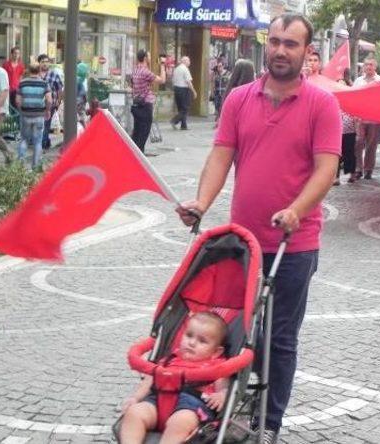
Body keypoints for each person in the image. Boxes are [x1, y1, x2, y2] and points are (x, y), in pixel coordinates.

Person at [176, 13, 341, 444]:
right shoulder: (239, 99)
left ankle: (269, 422)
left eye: (291, 43)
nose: (281, 50)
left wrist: (296, 209)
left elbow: (327, 169)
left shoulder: (321, 104)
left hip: (294, 244)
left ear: (307, 52)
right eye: (275, 41)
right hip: (243, 241)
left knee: (280, 338)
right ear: (265, 45)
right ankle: (221, 405)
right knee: (235, 331)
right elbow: (220, 157)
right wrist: (202, 203)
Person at [119, 312, 229, 444]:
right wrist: (136, 398)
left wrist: (222, 395)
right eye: (189, 335)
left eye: (202, 341)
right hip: (158, 400)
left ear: (217, 351)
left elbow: (225, 387)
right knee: (135, 412)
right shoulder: (170, 359)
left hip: (191, 406)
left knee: (180, 422)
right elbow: (151, 379)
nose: (192, 343)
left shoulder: (217, 366)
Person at [353, 57, 380, 180]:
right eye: (366, 64)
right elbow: (353, 97)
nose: (368, 67)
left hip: (374, 118)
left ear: (375, 67)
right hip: (360, 118)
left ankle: (368, 169)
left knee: (371, 144)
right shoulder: (358, 81)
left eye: (371, 65)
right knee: (358, 142)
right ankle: (358, 168)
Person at [16, 63, 51, 170]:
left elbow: (17, 101)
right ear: (39, 70)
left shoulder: (22, 83)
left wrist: (21, 110)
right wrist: (47, 110)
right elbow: (49, 100)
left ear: (29, 70)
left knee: (24, 140)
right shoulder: (44, 84)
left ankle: (20, 164)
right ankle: (35, 167)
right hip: (39, 116)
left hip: (25, 115)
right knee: (37, 142)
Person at [130, 49, 166, 153]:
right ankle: (139, 155)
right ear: (145, 58)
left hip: (136, 104)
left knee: (137, 131)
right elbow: (162, 80)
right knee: (144, 132)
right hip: (145, 105)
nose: (150, 58)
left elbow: (132, 85)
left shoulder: (135, 70)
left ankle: (134, 153)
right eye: (149, 56)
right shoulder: (145, 71)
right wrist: (162, 65)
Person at [38, 54, 63, 150]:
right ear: (39, 63)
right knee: (41, 123)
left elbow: (59, 89)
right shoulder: (36, 74)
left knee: (46, 122)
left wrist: (58, 101)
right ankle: (46, 140)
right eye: (42, 62)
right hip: (38, 104)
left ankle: (42, 144)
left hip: (50, 103)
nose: (45, 64)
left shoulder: (54, 74)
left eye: (46, 61)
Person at [170, 56, 197, 130]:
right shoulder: (185, 69)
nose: (189, 62)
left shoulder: (176, 69)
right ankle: (174, 120)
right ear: (185, 61)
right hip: (183, 90)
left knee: (180, 108)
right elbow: (188, 82)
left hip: (176, 89)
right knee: (185, 108)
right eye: (189, 61)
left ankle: (183, 125)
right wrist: (194, 91)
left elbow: (173, 81)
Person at [210, 60, 229, 127]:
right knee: (217, 108)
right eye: (218, 67)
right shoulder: (216, 75)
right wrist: (212, 92)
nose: (219, 68)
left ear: (223, 66)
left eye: (220, 66)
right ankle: (219, 122)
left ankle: (220, 123)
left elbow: (230, 84)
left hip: (224, 94)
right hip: (217, 94)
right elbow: (213, 84)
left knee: (223, 108)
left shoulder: (228, 74)